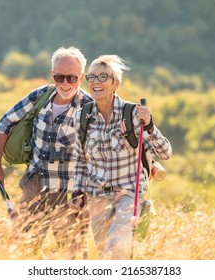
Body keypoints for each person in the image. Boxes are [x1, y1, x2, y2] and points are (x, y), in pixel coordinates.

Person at [0, 46, 93, 255]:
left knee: (73, 254)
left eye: (71, 78)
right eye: (60, 77)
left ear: (82, 77)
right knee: (25, 248)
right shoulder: (40, 96)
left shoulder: (90, 107)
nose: (65, 83)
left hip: (71, 191)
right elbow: (4, 125)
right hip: (34, 184)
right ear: (52, 75)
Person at [71, 55, 172, 259]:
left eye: (102, 77)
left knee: (115, 249)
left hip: (128, 193)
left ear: (115, 83)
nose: (96, 82)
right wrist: (77, 191)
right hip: (96, 196)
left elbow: (165, 152)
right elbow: (80, 160)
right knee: (104, 252)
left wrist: (150, 125)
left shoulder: (133, 114)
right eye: (91, 77)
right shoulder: (82, 117)